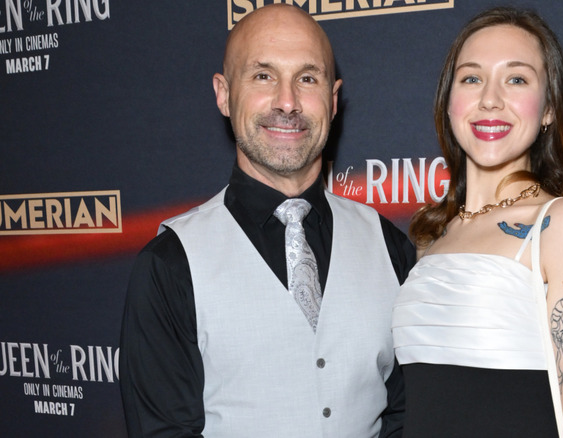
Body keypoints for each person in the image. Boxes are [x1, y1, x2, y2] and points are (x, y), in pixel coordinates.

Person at [119, 5, 413, 437]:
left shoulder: (389, 245)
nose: (288, 102)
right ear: (223, 94)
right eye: (263, 76)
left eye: (307, 78)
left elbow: (407, 414)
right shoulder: (170, 265)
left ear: (332, 101)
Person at [392, 7, 563, 437]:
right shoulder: (433, 235)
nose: (490, 99)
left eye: (516, 79)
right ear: (448, 103)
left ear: (549, 108)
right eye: (472, 78)